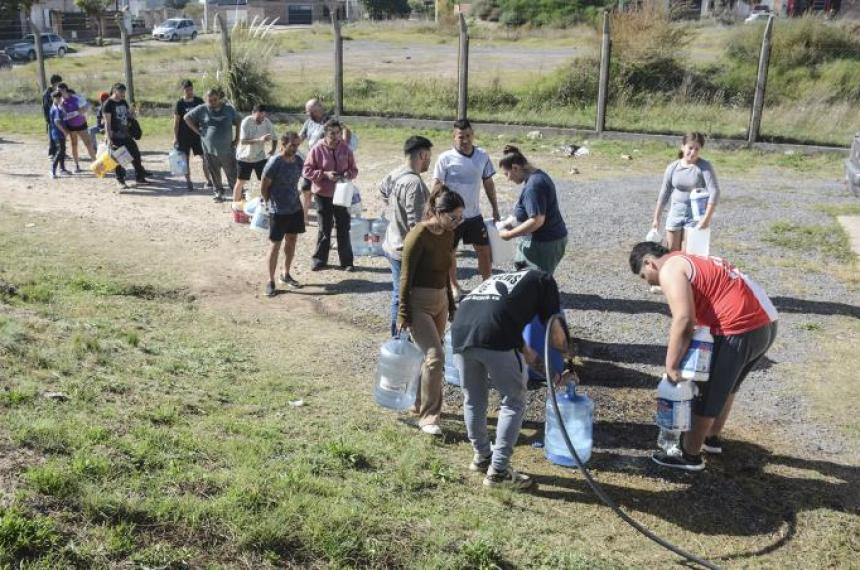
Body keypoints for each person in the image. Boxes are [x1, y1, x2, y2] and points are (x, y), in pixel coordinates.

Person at [629, 242, 778, 472]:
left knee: (707, 391)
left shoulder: (670, 268)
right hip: (765, 323)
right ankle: (711, 438)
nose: (647, 281)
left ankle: (690, 455)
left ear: (649, 262)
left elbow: (684, 319)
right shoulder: (686, 258)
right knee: (727, 386)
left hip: (739, 326)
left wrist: (671, 364)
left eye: (642, 275)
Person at [451, 269, 571, 489]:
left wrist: (549, 373)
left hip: (460, 330)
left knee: (473, 399)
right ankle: (498, 472)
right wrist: (568, 362)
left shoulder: (501, 281)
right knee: (514, 400)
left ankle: (482, 457)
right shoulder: (544, 280)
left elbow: (526, 352)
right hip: (494, 331)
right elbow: (557, 334)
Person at [398, 187, 464, 436]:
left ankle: (419, 403)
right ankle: (429, 417)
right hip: (419, 303)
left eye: (460, 218)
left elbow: (445, 273)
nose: (457, 223)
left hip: (440, 302)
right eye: (453, 218)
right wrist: (403, 313)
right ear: (438, 212)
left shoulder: (447, 234)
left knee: (426, 358)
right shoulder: (418, 235)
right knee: (436, 357)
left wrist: (451, 303)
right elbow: (405, 276)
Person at [432, 119, 500, 299]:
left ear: (473, 135)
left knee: (484, 251)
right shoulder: (445, 158)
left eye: (468, 136)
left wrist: (495, 208)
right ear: (454, 137)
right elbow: (437, 185)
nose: (465, 140)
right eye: (461, 137)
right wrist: (431, 209)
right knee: (450, 254)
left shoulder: (482, 156)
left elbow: (489, 183)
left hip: (474, 215)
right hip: (452, 218)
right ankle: (455, 287)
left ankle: (487, 285)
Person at [380, 135, 434, 337]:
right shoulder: (415, 184)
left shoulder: (396, 173)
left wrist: (394, 211)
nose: (429, 161)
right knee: (402, 296)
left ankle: (400, 336)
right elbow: (416, 225)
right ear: (422, 154)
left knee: (398, 293)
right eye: (428, 156)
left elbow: (382, 189)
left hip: (391, 242)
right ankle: (399, 339)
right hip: (404, 249)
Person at [496, 145, 568, 276]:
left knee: (532, 284)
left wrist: (509, 235)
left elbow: (537, 221)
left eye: (507, 174)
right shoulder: (537, 176)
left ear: (515, 168)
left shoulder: (533, 186)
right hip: (548, 240)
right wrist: (513, 221)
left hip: (544, 243)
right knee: (532, 282)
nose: (508, 179)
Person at [302, 119, 358, 272]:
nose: (335, 137)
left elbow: (354, 170)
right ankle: (319, 260)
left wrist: (348, 174)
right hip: (323, 194)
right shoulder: (317, 149)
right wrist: (325, 174)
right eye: (332, 133)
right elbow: (306, 171)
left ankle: (347, 262)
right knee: (324, 228)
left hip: (342, 194)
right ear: (325, 134)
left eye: (338, 133)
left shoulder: (346, 149)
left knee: (343, 228)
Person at [651, 132, 720, 252]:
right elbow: (664, 193)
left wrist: (706, 219)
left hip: (694, 216)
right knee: (672, 253)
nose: (693, 152)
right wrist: (656, 218)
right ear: (682, 147)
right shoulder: (673, 167)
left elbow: (714, 192)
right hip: (675, 213)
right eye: (690, 148)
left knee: (689, 253)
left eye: (697, 149)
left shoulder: (704, 167)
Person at [261, 133, 306, 297]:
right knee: (275, 245)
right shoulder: (274, 163)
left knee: (292, 241)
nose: (295, 149)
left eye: (297, 145)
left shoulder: (298, 161)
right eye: (292, 145)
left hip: (294, 208)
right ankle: (270, 281)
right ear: (283, 144)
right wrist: (270, 203)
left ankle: (285, 274)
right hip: (278, 211)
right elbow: (264, 186)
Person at [297, 98, 353, 223]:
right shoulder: (308, 122)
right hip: (312, 159)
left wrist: (343, 144)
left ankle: (330, 218)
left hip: (327, 160)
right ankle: (304, 218)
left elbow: (345, 130)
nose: (308, 114)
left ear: (317, 110)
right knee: (306, 189)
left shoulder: (330, 121)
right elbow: (301, 137)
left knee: (330, 190)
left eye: (310, 111)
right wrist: (293, 144)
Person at [184, 88, 241, 202]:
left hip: (227, 150)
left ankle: (238, 194)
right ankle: (219, 193)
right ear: (206, 100)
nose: (213, 103)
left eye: (215, 100)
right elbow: (187, 118)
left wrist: (237, 138)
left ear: (219, 98)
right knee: (214, 173)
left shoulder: (228, 109)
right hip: (209, 150)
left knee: (232, 173)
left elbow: (239, 120)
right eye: (210, 101)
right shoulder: (202, 109)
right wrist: (198, 132)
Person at [102, 83, 147, 190]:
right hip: (116, 135)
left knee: (135, 155)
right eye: (121, 92)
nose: (123, 94)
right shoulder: (108, 104)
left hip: (126, 134)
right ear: (115, 91)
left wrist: (132, 115)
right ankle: (120, 181)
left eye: (124, 92)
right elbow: (107, 123)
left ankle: (140, 178)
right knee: (119, 158)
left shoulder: (123, 102)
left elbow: (127, 115)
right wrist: (109, 137)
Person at [233, 103, 276, 203]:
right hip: (244, 157)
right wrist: (260, 140)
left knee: (266, 181)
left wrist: (273, 150)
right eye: (259, 116)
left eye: (263, 116)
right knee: (240, 182)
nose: (261, 119)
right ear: (253, 113)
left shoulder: (266, 122)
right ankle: (234, 205)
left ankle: (267, 203)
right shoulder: (246, 122)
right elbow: (243, 141)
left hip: (259, 157)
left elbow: (274, 137)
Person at [173, 79, 212, 192]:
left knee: (205, 157)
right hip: (183, 136)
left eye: (190, 89)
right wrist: (175, 137)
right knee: (185, 160)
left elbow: (206, 117)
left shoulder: (199, 101)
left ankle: (208, 180)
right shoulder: (180, 103)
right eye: (187, 89)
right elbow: (176, 122)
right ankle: (188, 181)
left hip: (198, 135)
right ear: (183, 90)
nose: (189, 91)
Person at [57, 83, 97, 172]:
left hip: (81, 124)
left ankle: (96, 164)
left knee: (88, 143)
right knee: (74, 145)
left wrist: (76, 113)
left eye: (59, 90)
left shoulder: (76, 98)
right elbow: (61, 114)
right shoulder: (60, 101)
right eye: (57, 91)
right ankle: (77, 166)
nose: (58, 92)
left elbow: (86, 107)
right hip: (70, 126)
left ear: (65, 90)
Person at [48, 90, 72, 178]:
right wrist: (65, 131)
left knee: (62, 150)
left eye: (59, 97)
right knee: (60, 151)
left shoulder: (59, 107)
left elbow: (65, 115)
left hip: (60, 133)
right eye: (56, 98)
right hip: (57, 133)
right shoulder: (55, 109)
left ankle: (62, 169)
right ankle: (52, 169)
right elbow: (57, 122)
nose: (58, 99)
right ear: (53, 98)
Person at [42, 74, 63, 160]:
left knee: (59, 136)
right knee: (52, 136)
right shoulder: (47, 93)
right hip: (50, 118)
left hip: (57, 117)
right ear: (54, 83)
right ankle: (51, 153)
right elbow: (48, 106)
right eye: (59, 82)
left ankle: (60, 151)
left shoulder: (56, 92)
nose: (60, 84)